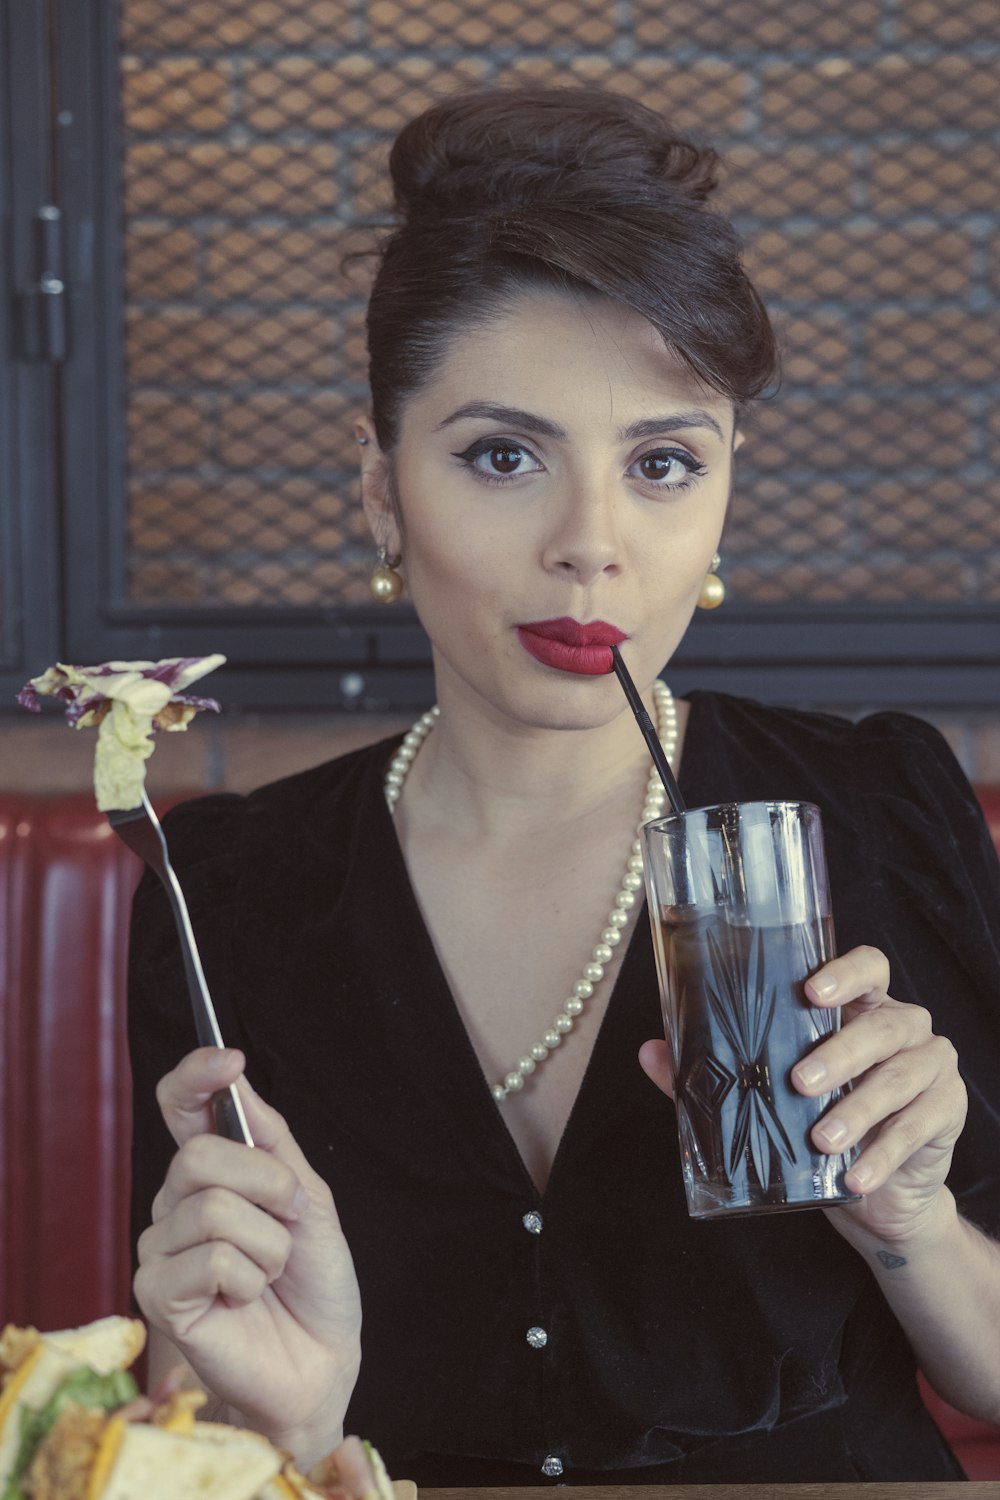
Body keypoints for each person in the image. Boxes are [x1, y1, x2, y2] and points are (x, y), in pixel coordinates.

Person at [127, 86, 1000, 1486]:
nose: (592, 544)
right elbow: (198, 1408)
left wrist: (907, 1218)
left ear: (723, 494)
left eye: (663, 464)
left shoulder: (870, 807)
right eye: (503, 456)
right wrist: (269, 1413)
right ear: (380, 495)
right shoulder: (225, 885)